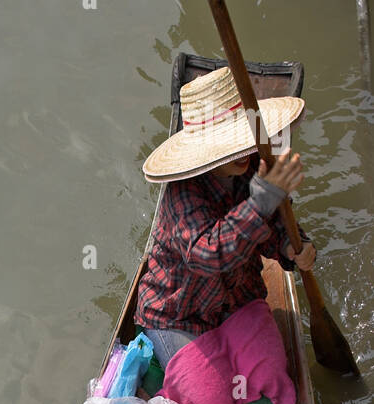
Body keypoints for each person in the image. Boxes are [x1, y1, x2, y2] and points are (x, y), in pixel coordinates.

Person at [135, 66, 316, 370]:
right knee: (209, 399)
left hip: (237, 300)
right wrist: (261, 200)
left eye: (242, 139)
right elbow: (207, 256)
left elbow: (274, 225)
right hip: (179, 313)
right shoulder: (183, 192)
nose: (240, 153)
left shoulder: (257, 167)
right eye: (228, 146)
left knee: (272, 377)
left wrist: (291, 247)